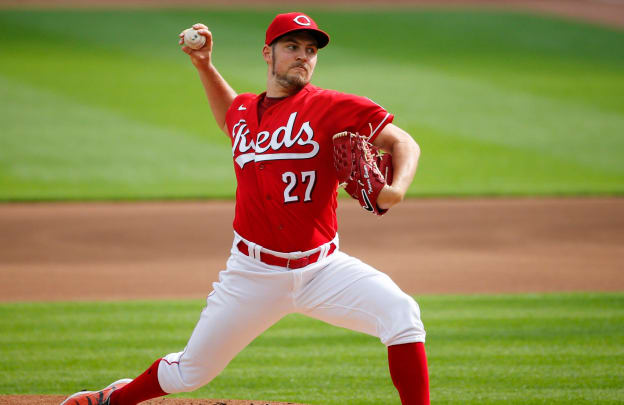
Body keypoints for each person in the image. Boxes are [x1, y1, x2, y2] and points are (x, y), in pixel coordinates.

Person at [61, 12, 428, 405]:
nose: (303, 56)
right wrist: (204, 65)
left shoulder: (335, 107)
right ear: (267, 53)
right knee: (190, 373)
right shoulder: (243, 113)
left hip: (323, 268)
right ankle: (112, 401)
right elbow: (228, 116)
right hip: (253, 273)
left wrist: (395, 190)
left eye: (310, 50)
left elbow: (404, 142)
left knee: (402, 314)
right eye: (292, 47)